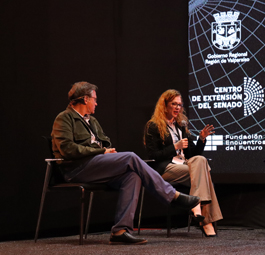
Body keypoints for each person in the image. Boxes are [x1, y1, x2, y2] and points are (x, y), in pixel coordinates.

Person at [51, 81, 201, 245]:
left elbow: (105, 142)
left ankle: (120, 231)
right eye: (94, 99)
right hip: (76, 169)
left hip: (96, 165)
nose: (97, 102)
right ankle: (172, 196)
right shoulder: (64, 118)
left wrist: (105, 150)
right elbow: (67, 149)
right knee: (130, 157)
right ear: (85, 99)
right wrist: (100, 151)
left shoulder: (92, 121)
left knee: (132, 176)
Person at [144, 89, 223, 237]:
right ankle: (205, 221)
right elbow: (153, 155)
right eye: (174, 104)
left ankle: (198, 210)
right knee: (204, 174)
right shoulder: (153, 126)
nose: (177, 108)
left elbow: (194, 155)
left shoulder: (180, 126)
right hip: (165, 169)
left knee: (201, 161)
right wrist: (175, 147)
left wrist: (202, 139)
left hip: (184, 167)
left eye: (179, 105)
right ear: (165, 105)